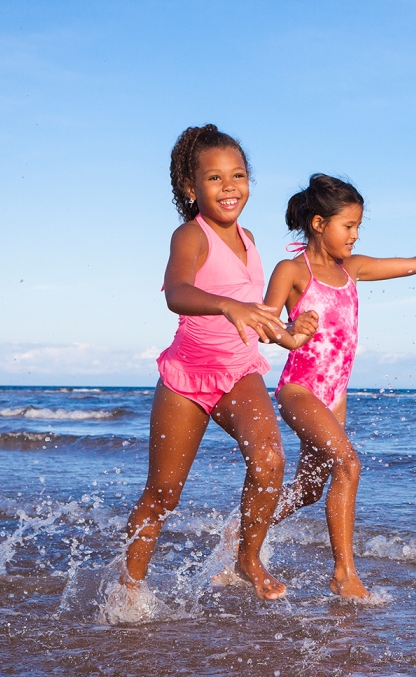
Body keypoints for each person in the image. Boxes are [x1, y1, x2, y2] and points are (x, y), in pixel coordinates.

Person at [122, 125, 318, 601]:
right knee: (164, 495)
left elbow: (255, 313)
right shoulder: (191, 234)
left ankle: (247, 559)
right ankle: (129, 589)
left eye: (238, 175)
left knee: (270, 460)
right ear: (192, 188)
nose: (229, 186)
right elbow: (177, 292)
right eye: (214, 178)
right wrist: (227, 306)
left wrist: (289, 337)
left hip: (238, 371)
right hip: (187, 377)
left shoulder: (250, 239)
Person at [265, 174, 416, 598]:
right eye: (348, 226)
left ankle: (243, 534)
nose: (355, 234)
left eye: (358, 227)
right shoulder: (292, 270)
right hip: (299, 390)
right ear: (317, 223)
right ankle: (344, 575)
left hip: (335, 399)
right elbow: (263, 324)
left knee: (309, 491)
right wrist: (290, 327)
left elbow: (412, 263)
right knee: (349, 465)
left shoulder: (353, 269)